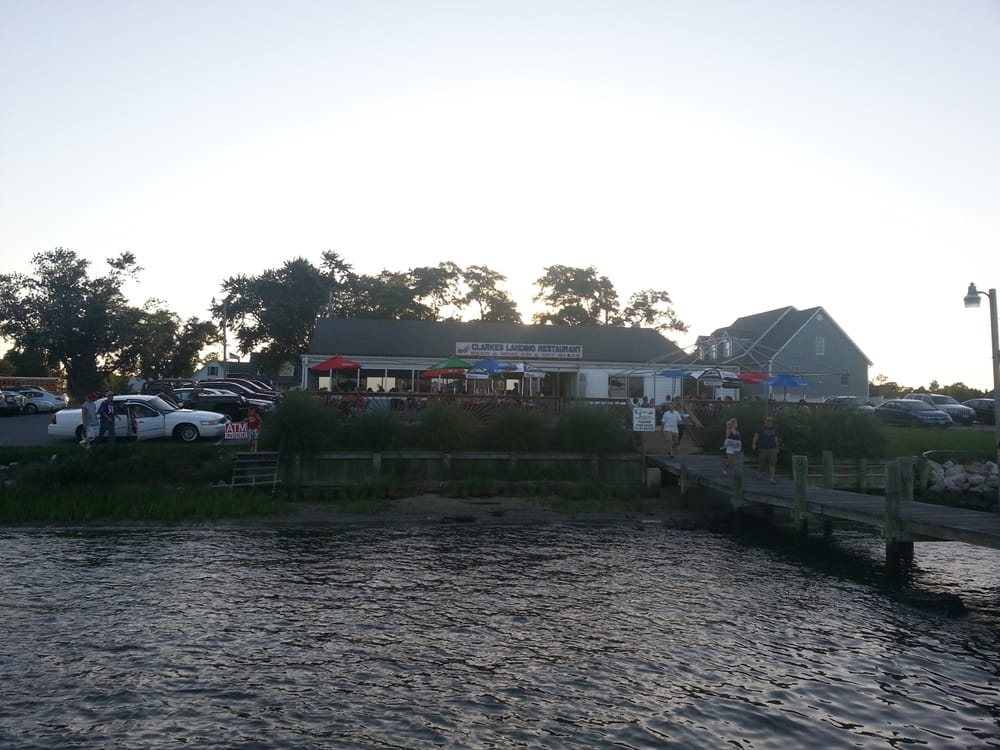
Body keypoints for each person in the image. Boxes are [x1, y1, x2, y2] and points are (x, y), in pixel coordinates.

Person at [751, 414, 780, 484]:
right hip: (763, 448)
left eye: (770, 420)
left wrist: (777, 447)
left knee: (772, 463)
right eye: (768, 420)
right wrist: (754, 444)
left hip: (772, 448)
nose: (769, 421)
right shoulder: (760, 428)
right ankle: (761, 473)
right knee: (762, 463)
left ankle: (772, 478)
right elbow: (756, 436)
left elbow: (776, 438)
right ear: (765, 420)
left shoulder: (774, 428)